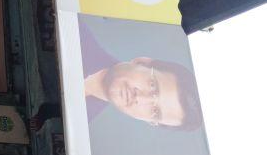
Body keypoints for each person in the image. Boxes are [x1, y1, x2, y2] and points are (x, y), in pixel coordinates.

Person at [29, 21, 203, 132]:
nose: (140, 99)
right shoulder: (76, 32)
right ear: (142, 62)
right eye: (152, 85)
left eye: (155, 112)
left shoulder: (83, 121)